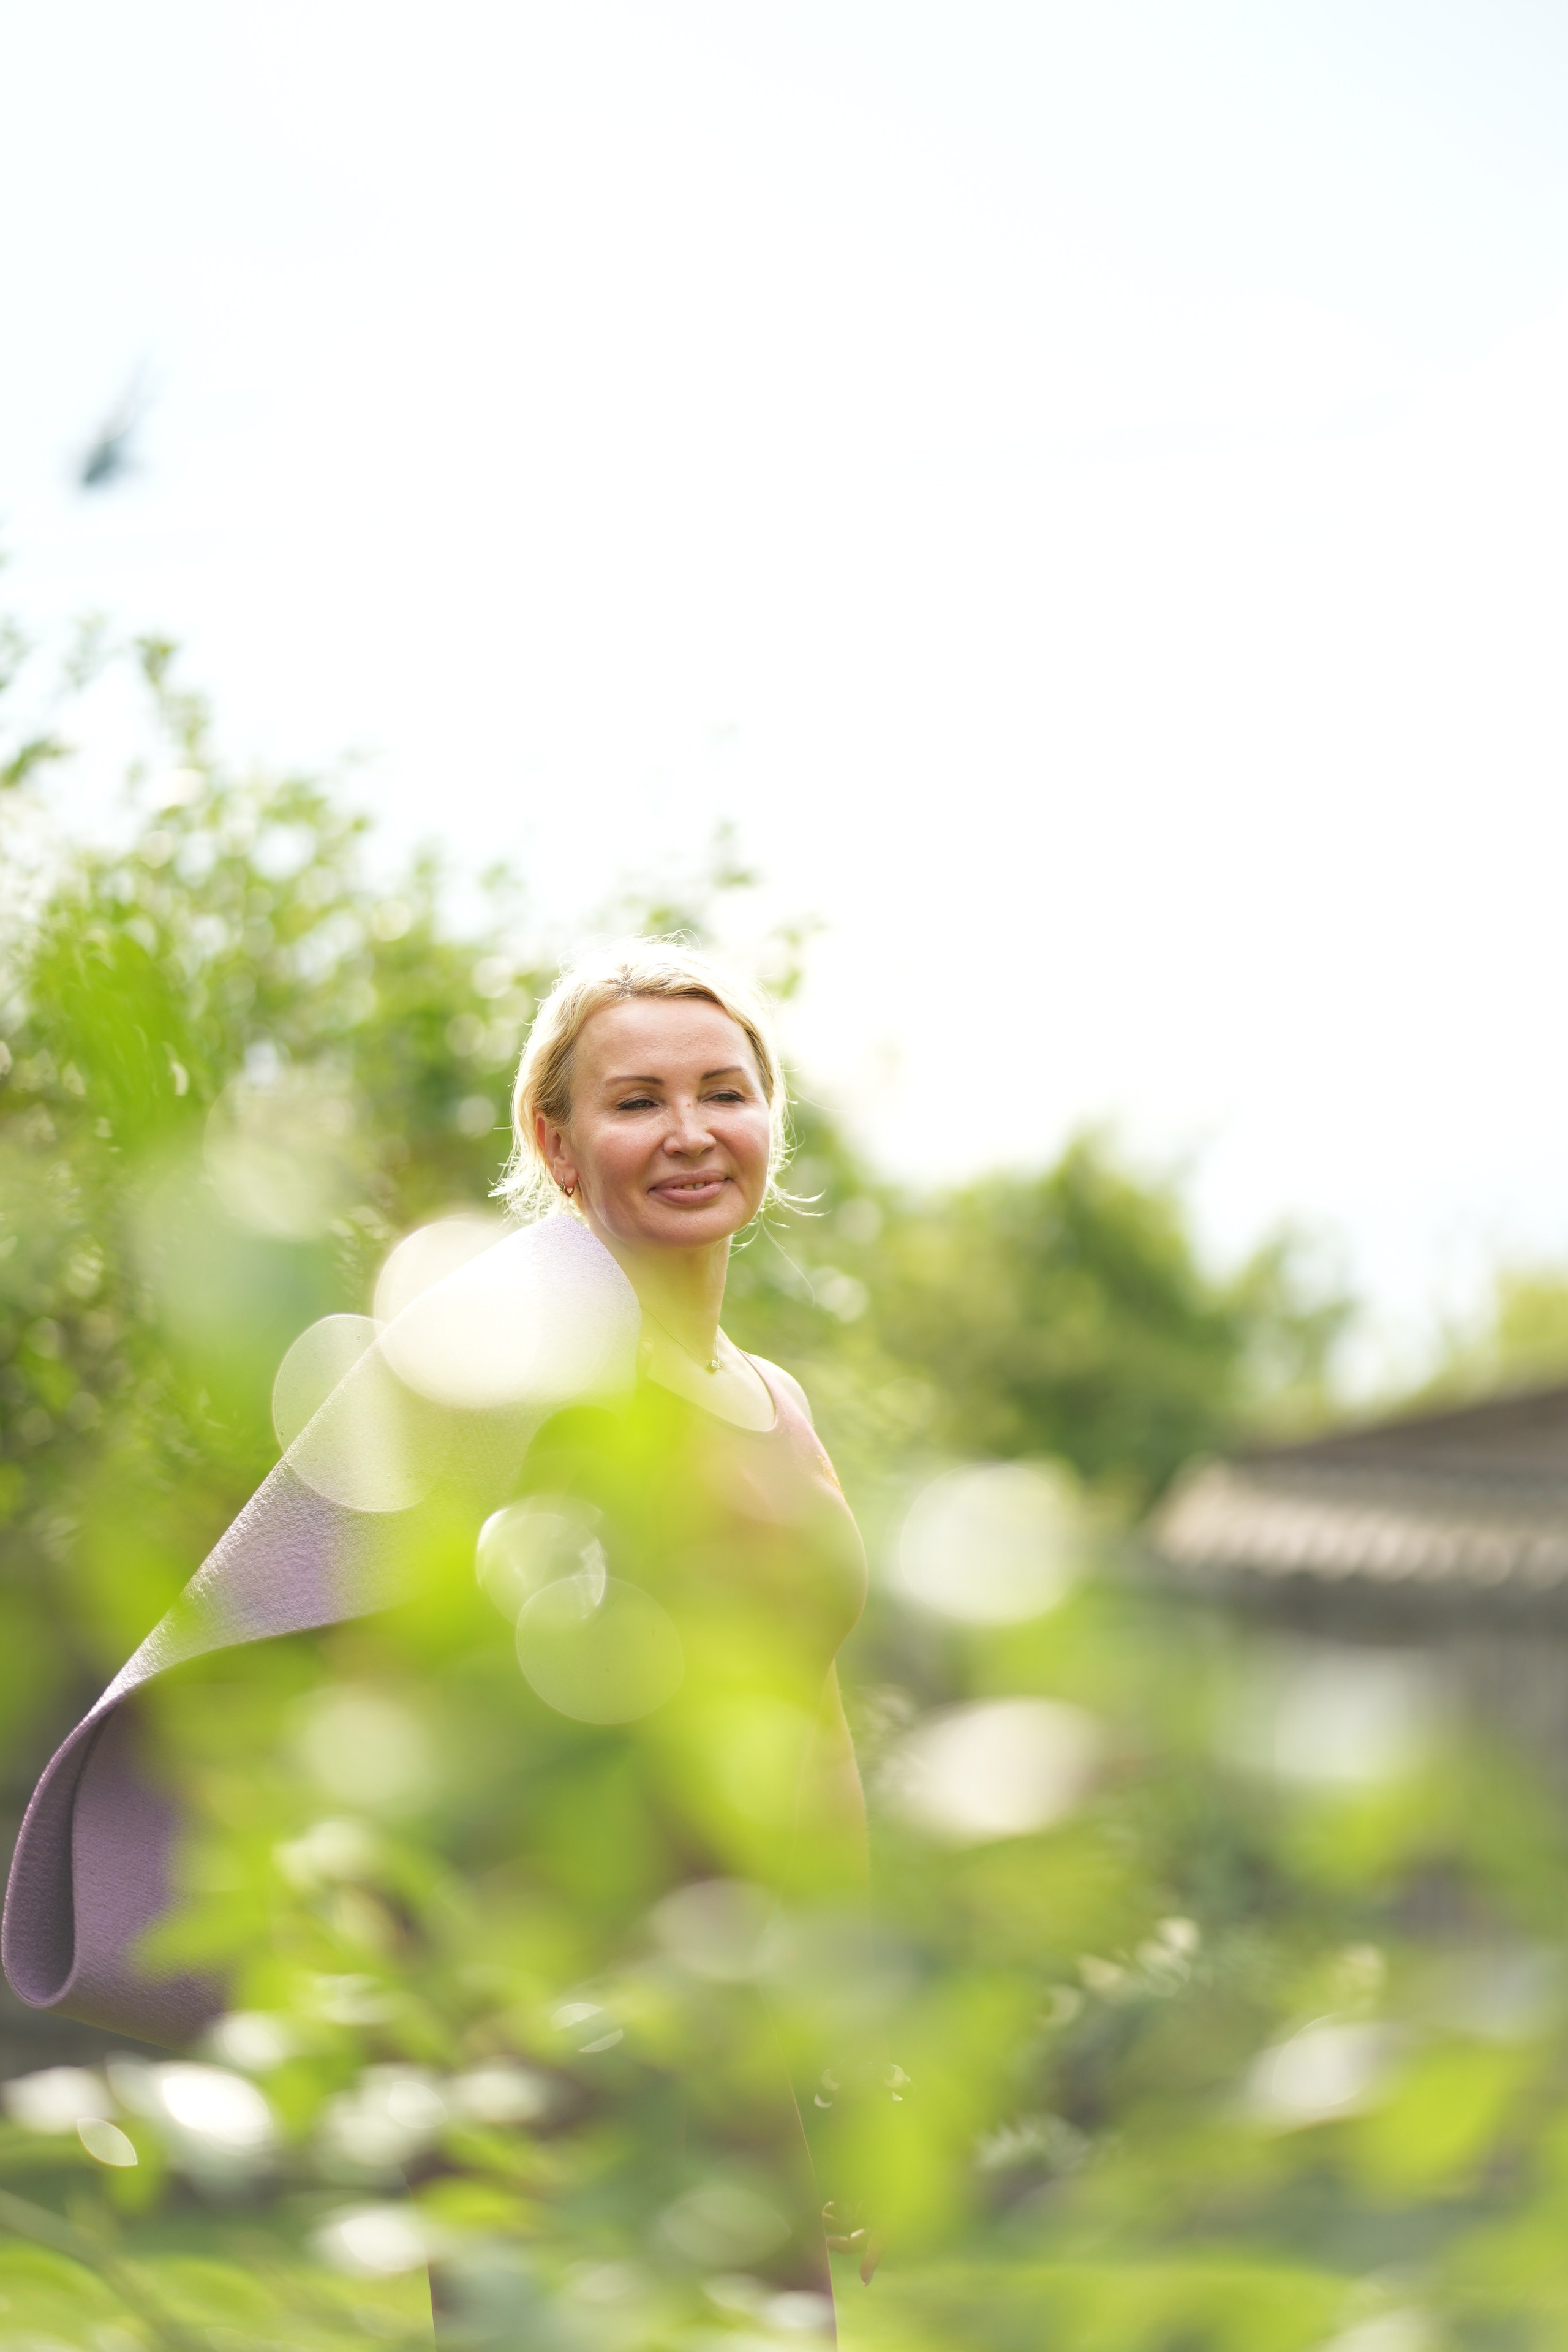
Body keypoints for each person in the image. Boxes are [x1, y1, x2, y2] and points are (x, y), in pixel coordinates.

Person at [486, 938, 877, 2321]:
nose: (689, 1132)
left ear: (770, 1119)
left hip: (756, 2003)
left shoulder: (777, 1401)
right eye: (636, 1100)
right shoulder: (522, 1376)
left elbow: (814, 1722)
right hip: (571, 2012)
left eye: (723, 1091)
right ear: (558, 1138)